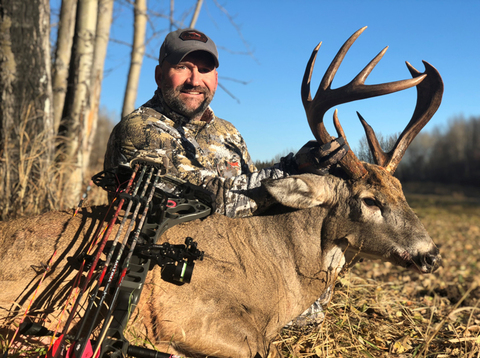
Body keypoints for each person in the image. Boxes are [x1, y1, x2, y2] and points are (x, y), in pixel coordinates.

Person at [104, 28, 348, 218]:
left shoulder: (227, 132)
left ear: (216, 78)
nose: (194, 80)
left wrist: (319, 172)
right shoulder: (140, 128)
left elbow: (256, 200)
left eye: (204, 69)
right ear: (159, 75)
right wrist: (293, 169)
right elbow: (205, 202)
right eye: (182, 67)